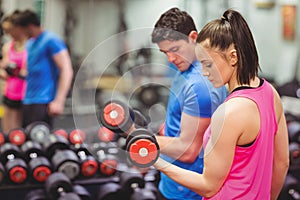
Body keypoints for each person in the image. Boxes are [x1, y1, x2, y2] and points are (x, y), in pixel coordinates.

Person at [154, 9, 289, 200]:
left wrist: (156, 161)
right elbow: (282, 162)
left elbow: (208, 186)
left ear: (233, 57)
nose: (204, 72)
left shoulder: (228, 113)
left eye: (208, 64)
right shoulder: (270, 93)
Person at [151, 7, 227, 200]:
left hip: (186, 191)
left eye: (175, 50)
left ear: (193, 37)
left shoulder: (200, 85)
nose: (170, 58)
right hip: (172, 182)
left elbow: (188, 150)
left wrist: (138, 136)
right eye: (164, 52)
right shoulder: (185, 66)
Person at [12, 9, 73, 129]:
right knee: (27, 142)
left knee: (41, 143)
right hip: (28, 99)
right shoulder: (30, 43)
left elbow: (66, 70)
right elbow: (27, 71)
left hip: (44, 101)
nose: (21, 34)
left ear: (29, 27)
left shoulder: (51, 40)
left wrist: (59, 101)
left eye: (22, 30)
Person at [0, 11, 27, 133]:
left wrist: (19, 72)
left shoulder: (30, 47)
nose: (8, 34)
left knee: (18, 130)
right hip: (9, 91)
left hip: (24, 93)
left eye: (9, 30)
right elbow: (4, 72)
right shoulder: (7, 46)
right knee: (7, 130)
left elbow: (26, 72)